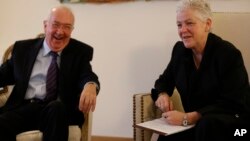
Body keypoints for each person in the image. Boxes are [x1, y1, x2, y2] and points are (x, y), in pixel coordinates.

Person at [151, 0, 250, 140]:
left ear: (207, 24)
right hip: (198, 125)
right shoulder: (180, 51)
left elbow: (234, 102)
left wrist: (188, 117)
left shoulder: (228, 54)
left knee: (207, 125)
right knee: (168, 136)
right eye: (179, 25)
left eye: (189, 23)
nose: (182, 30)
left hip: (236, 127)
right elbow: (164, 81)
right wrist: (162, 94)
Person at [0, 6, 100, 141]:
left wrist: (90, 85)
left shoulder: (79, 52)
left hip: (56, 112)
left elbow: (87, 74)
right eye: (56, 25)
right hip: (23, 108)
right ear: (45, 25)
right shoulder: (23, 49)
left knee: (57, 107)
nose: (60, 32)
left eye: (67, 27)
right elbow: (3, 74)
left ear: (72, 30)